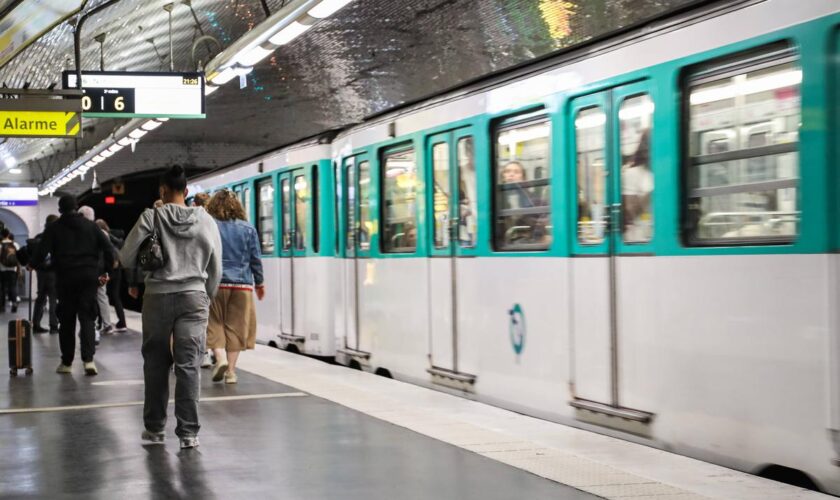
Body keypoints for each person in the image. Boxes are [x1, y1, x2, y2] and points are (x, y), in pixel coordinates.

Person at [120, 165, 221, 449]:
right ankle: (188, 433)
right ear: (186, 192)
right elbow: (216, 265)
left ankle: (154, 429)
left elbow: (126, 257)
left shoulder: (151, 216)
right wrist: (206, 296)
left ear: (162, 192)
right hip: (194, 297)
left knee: (156, 363)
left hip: (158, 297)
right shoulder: (206, 220)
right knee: (189, 365)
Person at [31, 195, 114, 376]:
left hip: (65, 278)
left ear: (60, 210)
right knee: (87, 318)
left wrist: (47, 267)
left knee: (67, 320)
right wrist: (103, 272)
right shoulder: (92, 227)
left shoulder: (54, 228)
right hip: (88, 278)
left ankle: (67, 363)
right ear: (76, 208)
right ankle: (89, 361)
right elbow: (109, 250)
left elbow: (39, 255)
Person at [205, 190, 264, 384]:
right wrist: (260, 282)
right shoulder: (248, 228)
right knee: (236, 328)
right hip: (242, 285)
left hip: (216, 282)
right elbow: (255, 259)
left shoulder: (209, 226)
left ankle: (219, 358)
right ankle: (231, 372)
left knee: (213, 323)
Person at [80, 206, 113, 342]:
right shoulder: (102, 233)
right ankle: (107, 324)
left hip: (86, 273)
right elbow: (109, 254)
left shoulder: (80, 232)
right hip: (101, 272)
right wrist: (108, 273)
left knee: (87, 300)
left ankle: (89, 329)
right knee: (102, 298)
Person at [96, 219, 127, 332]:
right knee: (115, 296)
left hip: (106, 271)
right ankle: (122, 322)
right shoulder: (114, 236)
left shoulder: (101, 236)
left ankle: (101, 323)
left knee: (100, 294)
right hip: (117, 271)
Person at [30, 215, 59, 334]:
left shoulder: (39, 237)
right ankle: (54, 326)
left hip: (41, 272)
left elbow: (35, 255)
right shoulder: (57, 236)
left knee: (40, 298)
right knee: (53, 298)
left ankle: (36, 324)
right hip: (53, 272)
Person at [0, 229, 20, 313]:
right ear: (8, 234)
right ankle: (14, 303)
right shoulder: (15, 244)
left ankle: (2, 306)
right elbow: (19, 257)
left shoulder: (0, 245)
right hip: (13, 269)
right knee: (13, 286)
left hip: (2, 269)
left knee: (2, 288)